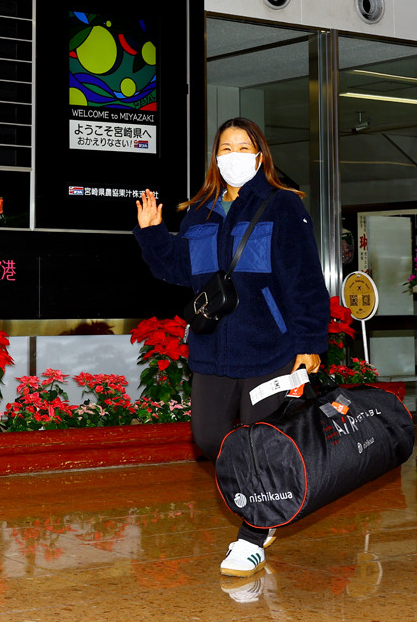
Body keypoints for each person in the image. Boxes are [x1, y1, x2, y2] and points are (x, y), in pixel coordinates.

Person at [133, 117, 329, 578]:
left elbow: (303, 279)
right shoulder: (199, 211)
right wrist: (152, 234)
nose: (234, 155)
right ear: (215, 156)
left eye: (244, 147)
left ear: (260, 155)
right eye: (226, 146)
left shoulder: (282, 206)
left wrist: (309, 341)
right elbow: (180, 272)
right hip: (211, 349)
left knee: (263, 442)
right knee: (208, 437)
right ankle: (267, 504)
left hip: (270, 349)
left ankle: (253, 534)